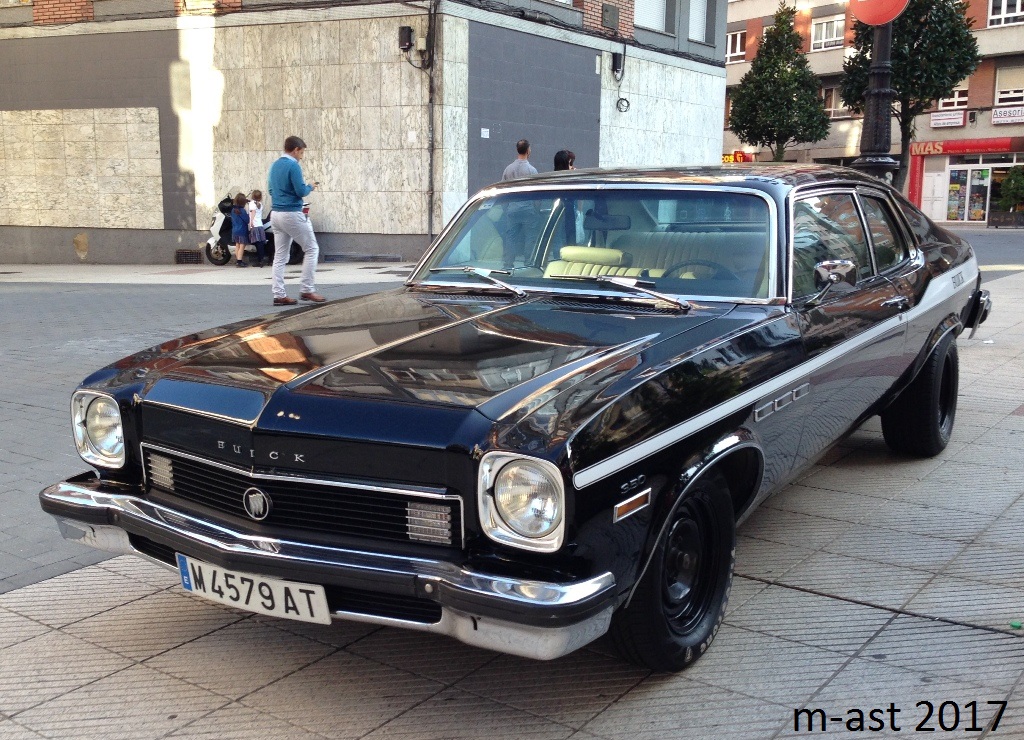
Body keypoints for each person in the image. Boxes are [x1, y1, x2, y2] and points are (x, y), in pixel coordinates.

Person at [267, 135, 323, 305]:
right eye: (302, 152)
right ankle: (307, 290)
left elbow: (270, 189)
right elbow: (300, 191)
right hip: (292, 213)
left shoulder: (274, 165)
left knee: (280, 256)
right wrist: (310, 186)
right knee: (312, 248)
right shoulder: (294, 166)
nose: (302, 156)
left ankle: (279, 294)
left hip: (275, 214)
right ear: (296, 149)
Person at [499, 139, 538, 269]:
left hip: (512, 209)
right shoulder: (532, 171)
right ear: (528, 151)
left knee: (510, 238)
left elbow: (503, 190)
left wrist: (506, 209)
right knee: (530, 238)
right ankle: (528, 263)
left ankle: (508, 264)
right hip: (528, 210)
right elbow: (537, 194)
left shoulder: (508, 169)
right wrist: (536, 209)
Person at [247, 189, 268, 267]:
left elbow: (253, 212)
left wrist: (251, 222)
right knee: (260, 244)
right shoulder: (260, 204)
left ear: (253, 196)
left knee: (257, 244)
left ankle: (260, 260)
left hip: (255, 225)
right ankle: (261, 259)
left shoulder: (252, 204)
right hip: (260, 225)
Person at [230, 193, 250, 268]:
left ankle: (237, 259)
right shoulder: (242, 210)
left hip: (235, 230)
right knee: (242, 246)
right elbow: (247, 220)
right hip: (242, 230)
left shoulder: (233, 210)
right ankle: (239, 261)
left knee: (237, 245)